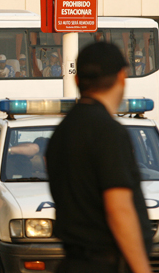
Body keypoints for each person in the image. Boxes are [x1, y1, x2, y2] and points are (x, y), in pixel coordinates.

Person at [46, 42, 152, 272]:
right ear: (122, 77)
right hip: (104, 264)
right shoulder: (108, 131)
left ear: (76, 80)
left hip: (73, 262)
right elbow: (119, 208)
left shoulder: (61, 133)